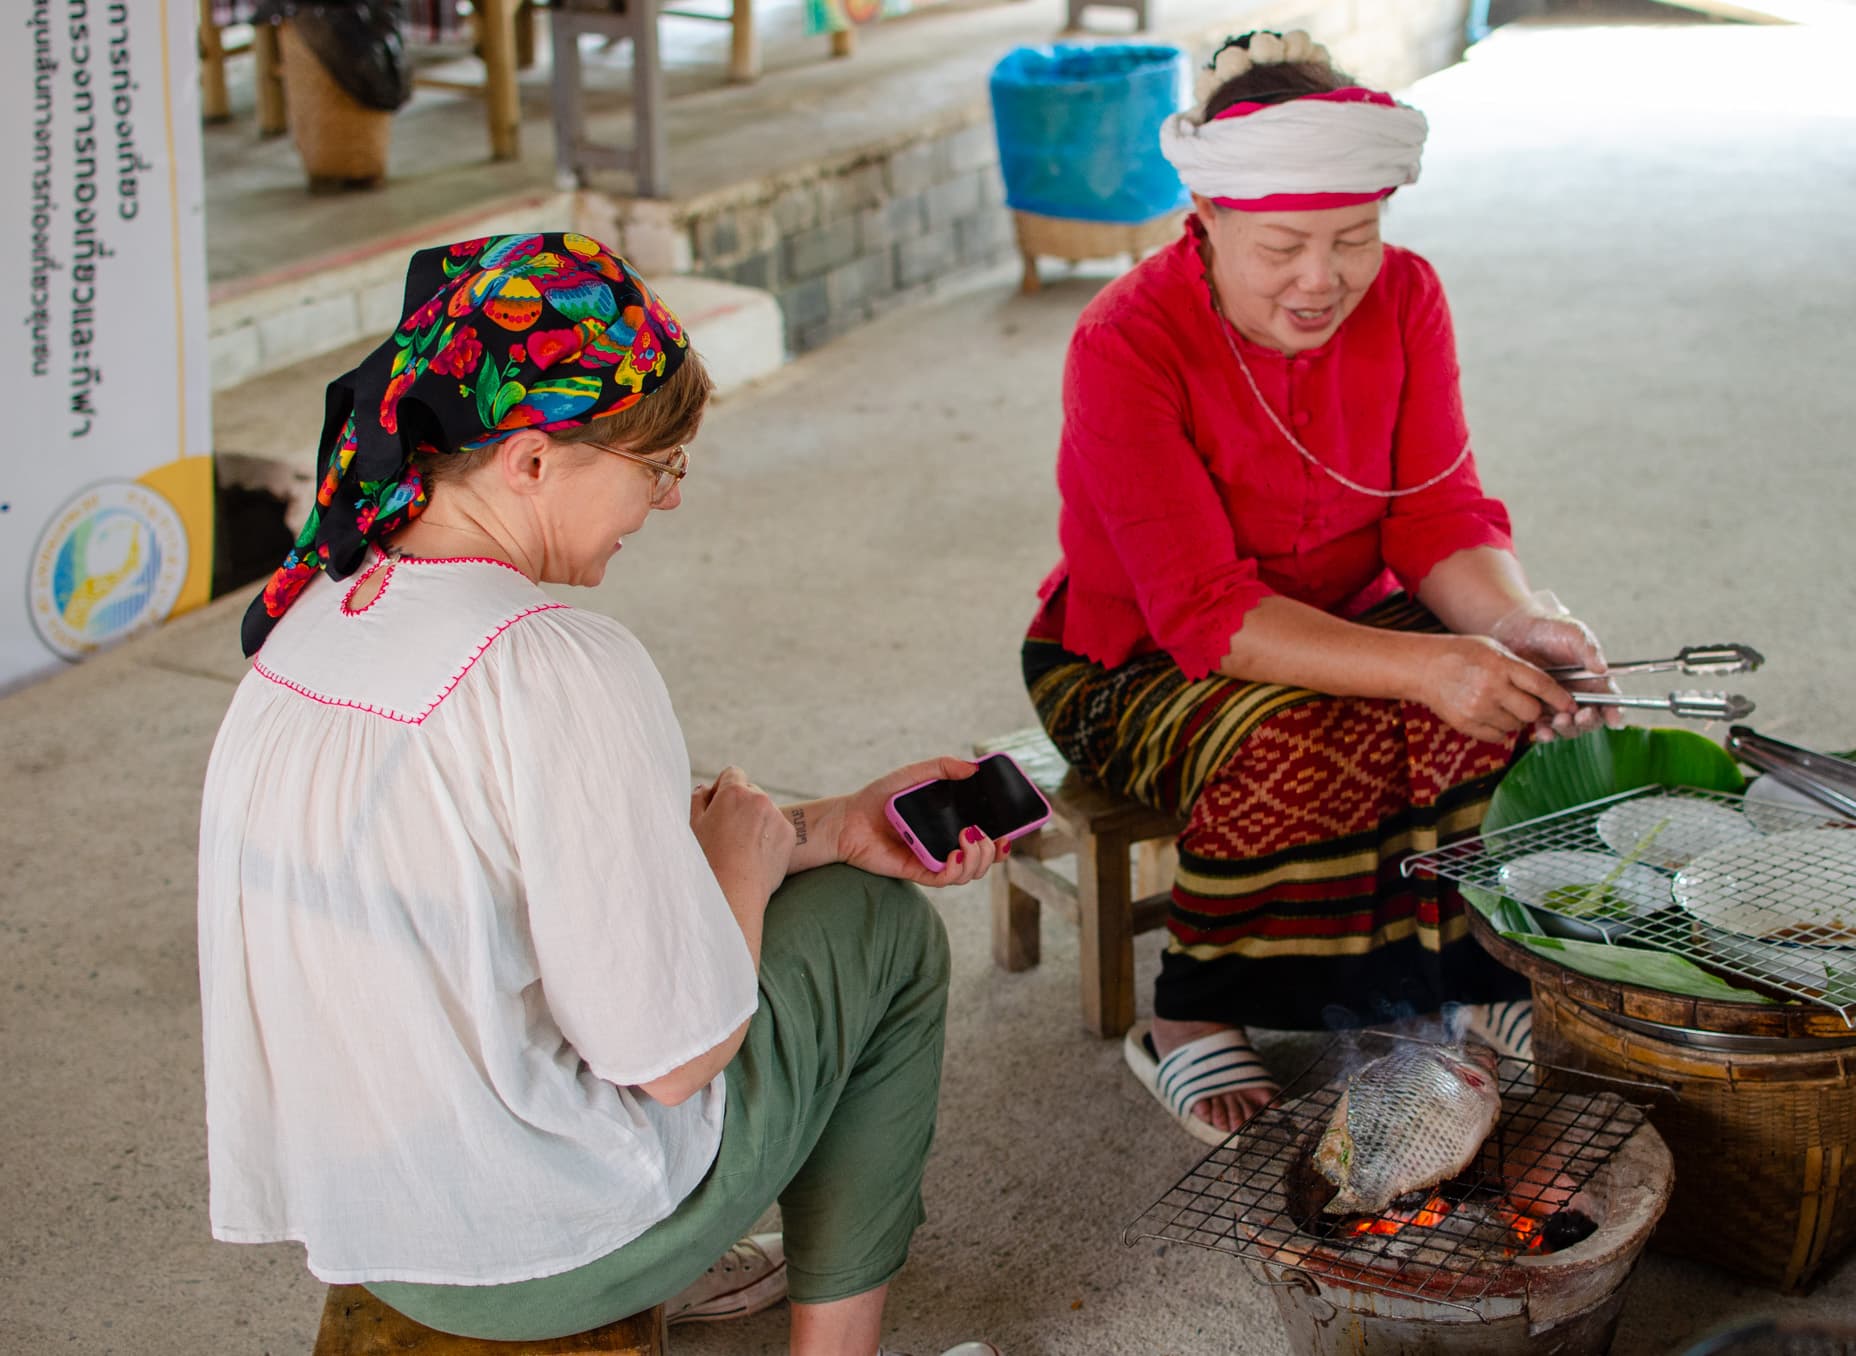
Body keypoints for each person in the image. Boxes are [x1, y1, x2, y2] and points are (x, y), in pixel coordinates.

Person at [198, 233, 1002, 1355]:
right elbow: (673, 1056)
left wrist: (824, 827)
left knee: (821, 888)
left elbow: (535, 851)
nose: (665, 502)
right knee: (882, 933)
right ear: (530, 461)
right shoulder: (557, 657)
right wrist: (749, 864)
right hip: (540, 1247)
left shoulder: (315, 619)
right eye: (656, 466)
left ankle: (709, 1259)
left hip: (370, 1218)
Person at [1021, 33, 1620, 1145]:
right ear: (1202, 225)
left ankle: (1465, 978)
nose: (1322, 277)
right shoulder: (1124, 342)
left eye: (1351, 237)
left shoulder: (1406, 296)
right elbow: (1204, 611)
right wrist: (1429, 664)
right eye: (1283, 246)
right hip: (1132, 654)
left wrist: (1512, 626)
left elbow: (1437, 514)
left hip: (1349, 605)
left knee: (1502, 716)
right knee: (1291, 744)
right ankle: (1187, 1015)